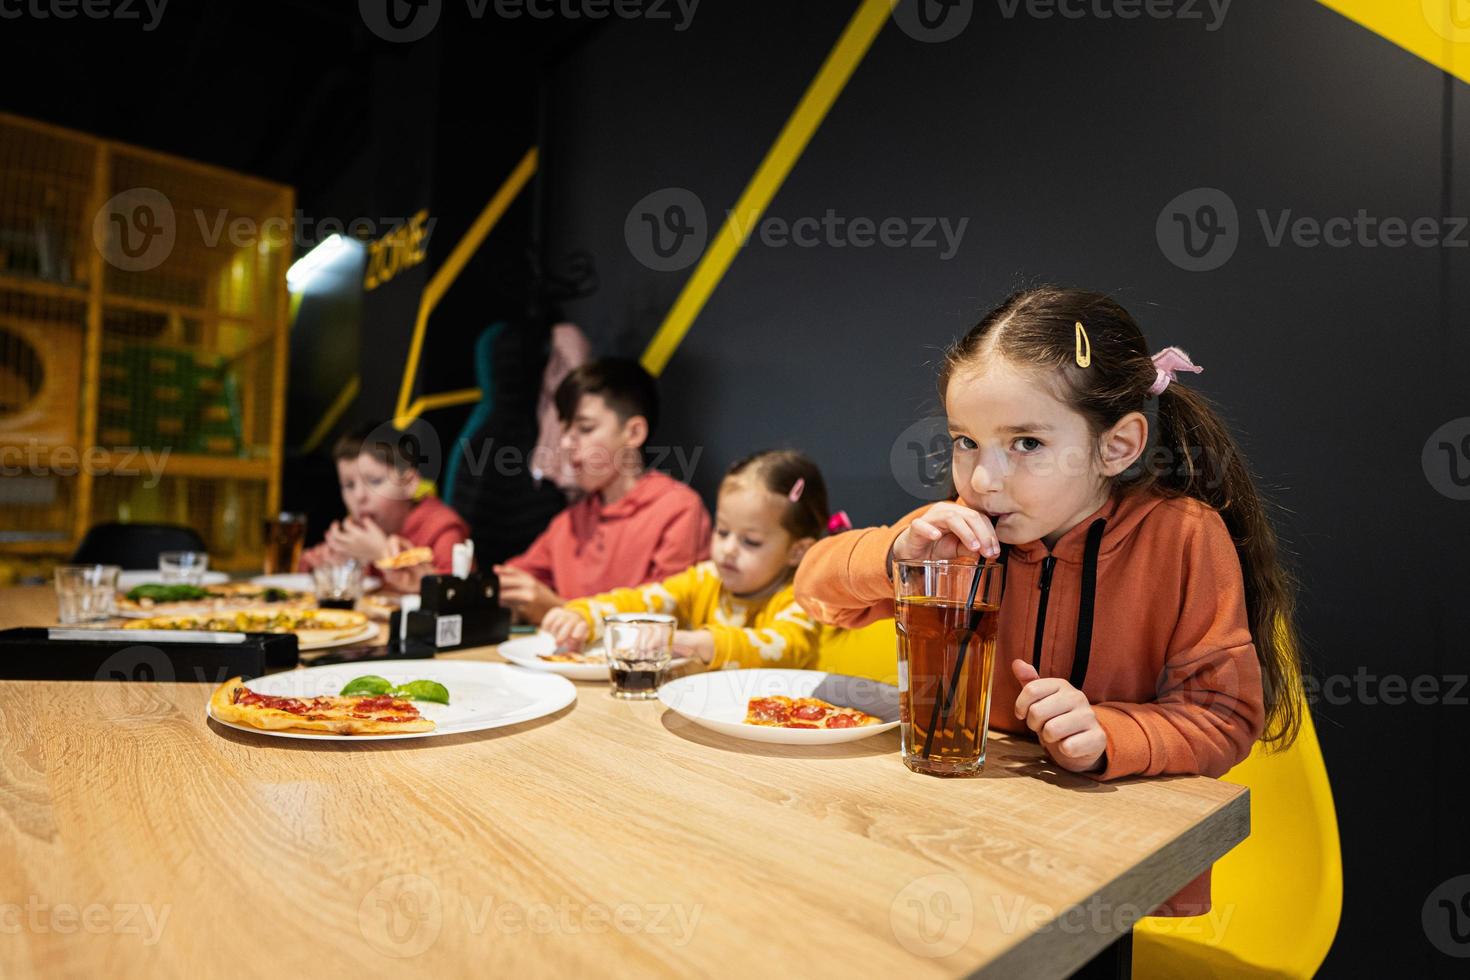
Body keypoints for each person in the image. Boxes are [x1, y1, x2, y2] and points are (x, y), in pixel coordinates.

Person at [794, 286, 1304, 916]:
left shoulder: (1183, 537)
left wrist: (1107, 733)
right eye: (965, 441)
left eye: (1026, 445)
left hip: (1110, 868)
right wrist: (894, 554)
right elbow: (816, 595)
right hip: (960, 842)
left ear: (1117, 445)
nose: (984, 479)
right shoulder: (955, 533)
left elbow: (1223, 717)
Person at [541, 450, 829, 670]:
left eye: (750, 541)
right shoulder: (705, 579)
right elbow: (644, 601)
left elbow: (784, 646)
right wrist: (584, 615)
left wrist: (700, 643)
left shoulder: (801, 599)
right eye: (723, 531)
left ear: (798, 551)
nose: (728, 549)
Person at [494, 359, 711, 622]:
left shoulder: (677, 509)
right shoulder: (569, 522)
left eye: (585, 429)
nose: (566, 443)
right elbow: (514, 580)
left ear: (633, 433)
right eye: (565, 431)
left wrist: (561, 611)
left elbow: (667, 622)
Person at [300, 423, 471, 593]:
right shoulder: (356, 533)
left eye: (375, 481)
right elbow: (300, 571)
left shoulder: (442, 527)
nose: (359, 496)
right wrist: (330, 567)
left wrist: (382, 554)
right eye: (349, 485)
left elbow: (458, 594)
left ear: (410, 483)